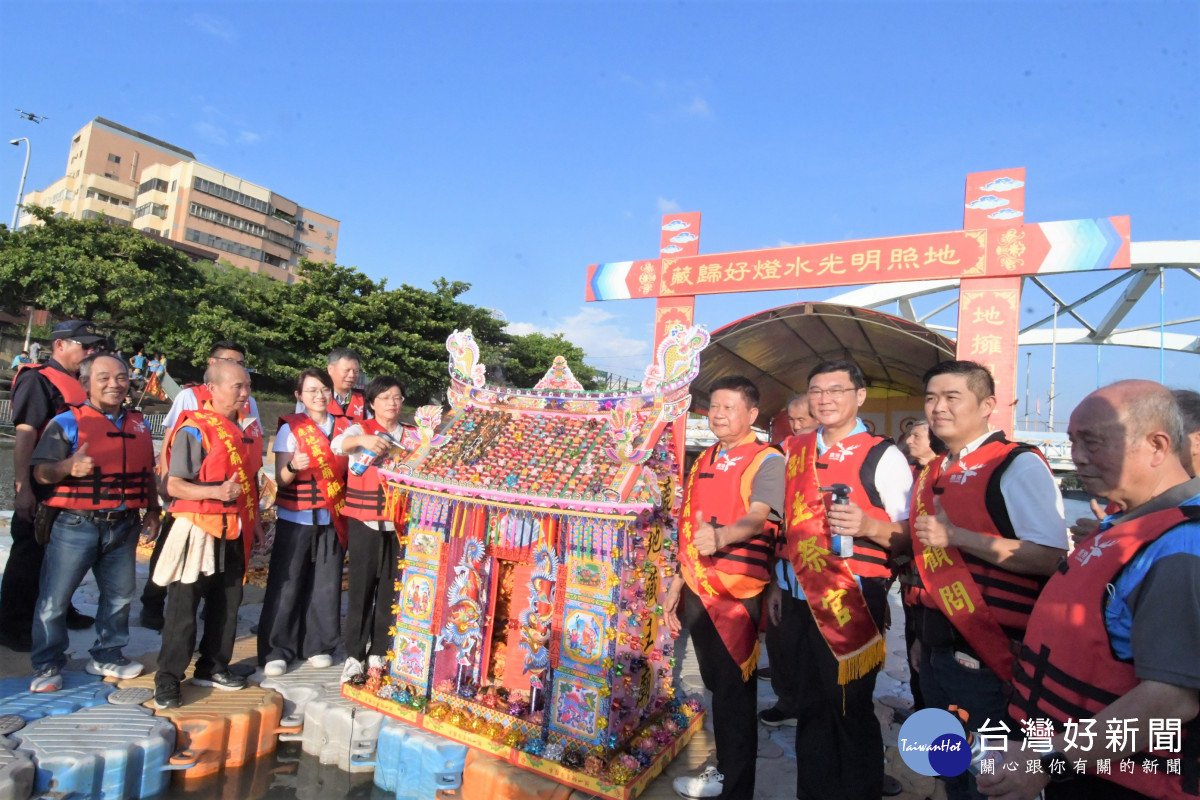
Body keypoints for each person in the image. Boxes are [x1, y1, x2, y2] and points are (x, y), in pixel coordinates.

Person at [980, 380, 1200, 800]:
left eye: (1092, 442)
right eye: (1072, 442)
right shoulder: (1123, 524)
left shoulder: (1182, 547)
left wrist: (1051, 760)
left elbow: (1171, 703)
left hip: (1119, 782)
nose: (1076, 457)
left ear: (1157, 446)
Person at [909, 361, 1068, 800]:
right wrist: (924, 636)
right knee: (950, 768)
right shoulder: (933, 470)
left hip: (991, 656)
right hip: (938, 649)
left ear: (987, 405)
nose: (938, 408)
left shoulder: (1016, 463)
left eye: (951, 397)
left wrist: (958, 536)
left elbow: (1050, 556)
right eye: (930, 398)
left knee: (991, 780)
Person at [769, 359, 912, 800]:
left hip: (851, 597)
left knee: (848, 707)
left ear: (859, 396)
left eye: (836, 390)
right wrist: (776, 582)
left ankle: (860, 789)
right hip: (796, 595)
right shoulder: (794, 449)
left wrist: (868, 526)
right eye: (817, 390)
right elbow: (783, 525)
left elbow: (911, 535)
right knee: (810, 707)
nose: (825, 399)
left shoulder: (882, 454)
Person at [663, 376, 784, 800]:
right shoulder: (707, 456)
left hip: (738, 591)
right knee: (716, 684)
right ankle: (726, 769)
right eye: (713, 406)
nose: (717, 414)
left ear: (751, 414)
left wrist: (724, 536)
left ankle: (736, 787)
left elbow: (758, 516)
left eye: (728, 407)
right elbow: (689, 525)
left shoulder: (767, 458)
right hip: (698, 587)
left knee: (735, 695)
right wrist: (678, 581)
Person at [27, 354, 161, 691]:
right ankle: (47, 665)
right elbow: (41, 471)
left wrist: (154, 512)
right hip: (76, 523)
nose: (114, 384)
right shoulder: (67, 422)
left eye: (120, 377)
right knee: (55, 598)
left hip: (125, 523)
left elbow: (146, 474)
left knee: (119, 596)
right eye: (104, 378)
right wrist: (67, 467)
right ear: (86, 383)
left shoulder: (139, 424)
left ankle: (108, 654)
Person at [151, 359, 262, 708]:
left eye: (247, 386)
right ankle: (168, 677)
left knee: (228, 604)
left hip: (234, 527)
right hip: (198, 528)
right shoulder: (195, 428)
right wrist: (215, 492)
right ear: (211, 389)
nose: (245, 394)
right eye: (237, 387)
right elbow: (174, 485)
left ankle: (213, 666)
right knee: (184, 607)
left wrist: (255, 522)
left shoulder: (245, 430)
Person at [139, 341, 262, 631]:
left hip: (233, 498)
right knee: (173, 554)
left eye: (241, 363)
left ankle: (213, 615)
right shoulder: (190, 396)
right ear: (212, 365)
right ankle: (153, 604)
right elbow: (171, 438)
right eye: (229, 362)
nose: (238, 371)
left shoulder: (248, 402)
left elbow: (251, 455)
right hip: (192, 496)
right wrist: (168, 486)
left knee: (222, 569)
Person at [0, 320, 105, 652]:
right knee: (30, 553)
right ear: (60, 346)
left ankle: (61, 608)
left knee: (64, 554)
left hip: (72, 484)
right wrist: (23, 489)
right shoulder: (38, 380)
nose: (91, 352)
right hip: (42, 482)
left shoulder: (78, 382)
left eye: (93, 347)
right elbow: (25, 436)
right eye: (84, 346)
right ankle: (12, 624)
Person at [259, 368, 350, 677]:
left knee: (326, 583)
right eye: (311, 391)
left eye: (324, 389)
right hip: (296, 515)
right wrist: (294, 466)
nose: (319, 395)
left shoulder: (346, 429)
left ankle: (319, 645)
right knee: (287, 583)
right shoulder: (291, 428)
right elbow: (281, 479)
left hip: (333, 515)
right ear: (299, 396)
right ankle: (276, 649)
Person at [332, 376, 408, 682]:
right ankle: (354, 655)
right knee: (361, 589)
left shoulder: (413, 436)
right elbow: (337, 445)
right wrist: (363, 441)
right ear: (372, 402)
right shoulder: (359, 429)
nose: (392, 402)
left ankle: (379, 651)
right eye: (385, 397)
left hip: (399, 525)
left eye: (398, 397)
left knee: (391, 591)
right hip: (364, 521)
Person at [759, 393, 817, 687]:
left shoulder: (828, 451)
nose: (795, 426)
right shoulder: (782, 450)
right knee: (782, 631)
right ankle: (787, 695)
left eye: (802, 420)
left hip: (819, 563)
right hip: (783, 556)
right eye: (791, 420)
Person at [895, 418, 948, 714]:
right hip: (910, 577)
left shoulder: (945, 474)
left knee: (933, 647)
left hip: (938, 579)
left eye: (916, 436)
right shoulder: (911, 474)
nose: (909, 440)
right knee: (914, 639)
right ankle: (920, 708)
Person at [299, 347, 364, 421]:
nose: (352, 375)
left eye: (356, 371)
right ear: (330, 369)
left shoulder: (364, 399)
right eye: (347, 370)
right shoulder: (314, 396)